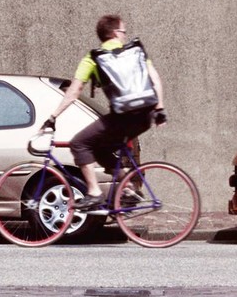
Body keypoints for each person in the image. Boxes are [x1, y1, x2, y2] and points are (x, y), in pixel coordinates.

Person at [44, 14, 165, 209]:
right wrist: (160, 109)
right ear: (116, 32)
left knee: (79, 143)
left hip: (122, 117)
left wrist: (52, 117)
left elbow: (73, 92)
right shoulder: (136, 52)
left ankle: (94, 192)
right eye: (123, 32)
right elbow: (156, 79)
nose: (125, 36)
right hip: (145, 116)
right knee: (99, 149)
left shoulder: (93, 58)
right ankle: (129, 188)